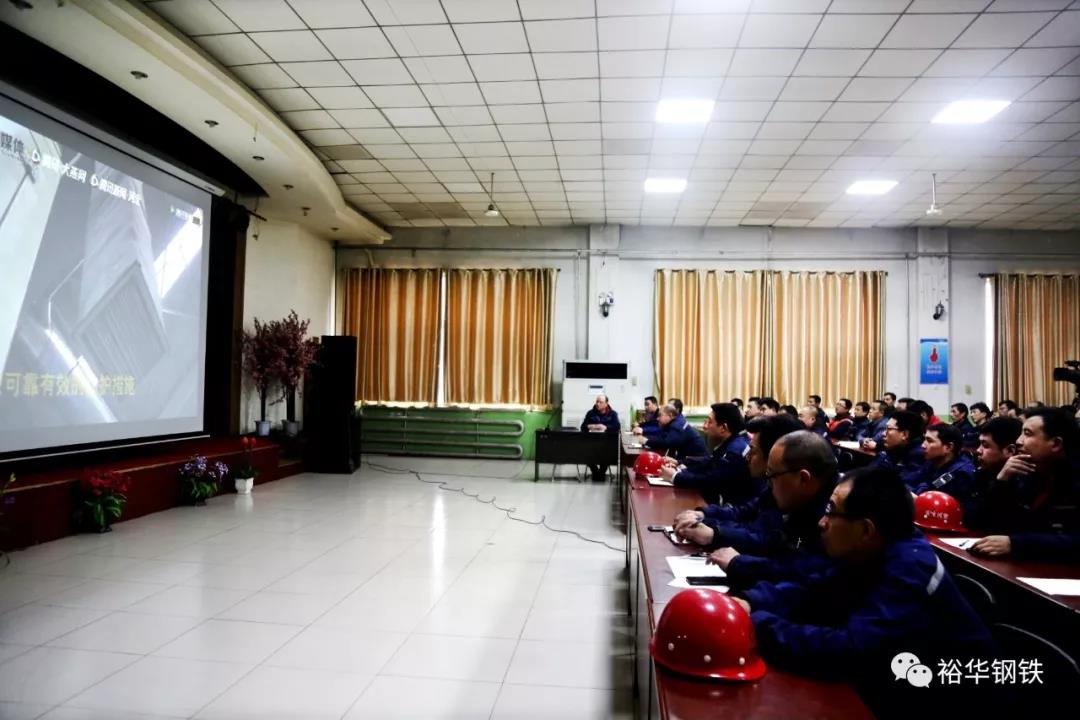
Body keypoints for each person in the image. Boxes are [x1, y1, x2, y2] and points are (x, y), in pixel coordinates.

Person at [730, 467, 997, 719]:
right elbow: (815, 588)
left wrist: (758, 625)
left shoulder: (910, 569)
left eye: (831, 511)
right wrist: (751, 602)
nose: (822, 522)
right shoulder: (872, 545)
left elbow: (851, 651)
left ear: (866, 529)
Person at [674, 425, 836, 587]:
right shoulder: (790, 493)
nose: (768, 482)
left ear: (803, 479)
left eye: (771, 474)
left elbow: (796, 569)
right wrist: (705, 518)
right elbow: (747, 516)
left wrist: (735, 558)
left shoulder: (833, 519)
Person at [966, 407, 1079, 562]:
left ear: (1056, 444)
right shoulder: (1027, 473)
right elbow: (991, 522)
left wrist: (1016, 544)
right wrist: (1002, 481)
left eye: (1027, 433)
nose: (1019, 441)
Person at [659, 402, 752, 505]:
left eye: (710, 422)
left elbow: (710, 480)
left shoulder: (735, 450)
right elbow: (710, 460)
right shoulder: (733, 441)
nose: (705, 426)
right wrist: (679, 464)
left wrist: (675, 476)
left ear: (723, 428)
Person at [964, 416, 1023, 522]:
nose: (978, 450)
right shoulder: (982, 473)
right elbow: (971, 516)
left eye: (985, 445)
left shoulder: (1025, 483)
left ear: (1010, 450)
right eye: (979, 444)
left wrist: (1001, 482)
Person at [909, 423, 976, 500]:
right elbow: (914, 479)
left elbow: (927, 493)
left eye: (929, 441)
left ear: (948, 447)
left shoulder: (956, 474)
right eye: (924, 439)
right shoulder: (934, 460)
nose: (923, 445)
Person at [868, 410, 925, 487]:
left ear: (905, 434)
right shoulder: (892, 449)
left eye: (889, 429)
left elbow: (898, 487)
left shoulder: (917, 456)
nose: (883, 433)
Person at [580, 394, 620, 482]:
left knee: (607, 452)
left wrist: (606, 427)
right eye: (597, 402)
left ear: (606, 404)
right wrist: (590, 426)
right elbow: (583, 427)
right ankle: (595, 471)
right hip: (592, 442)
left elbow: (617, 427)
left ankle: (602, 472)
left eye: (601, 402)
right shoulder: (590, 413)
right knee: (585, 450)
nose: (598, 404)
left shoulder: (613, 414)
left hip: (606, 442)